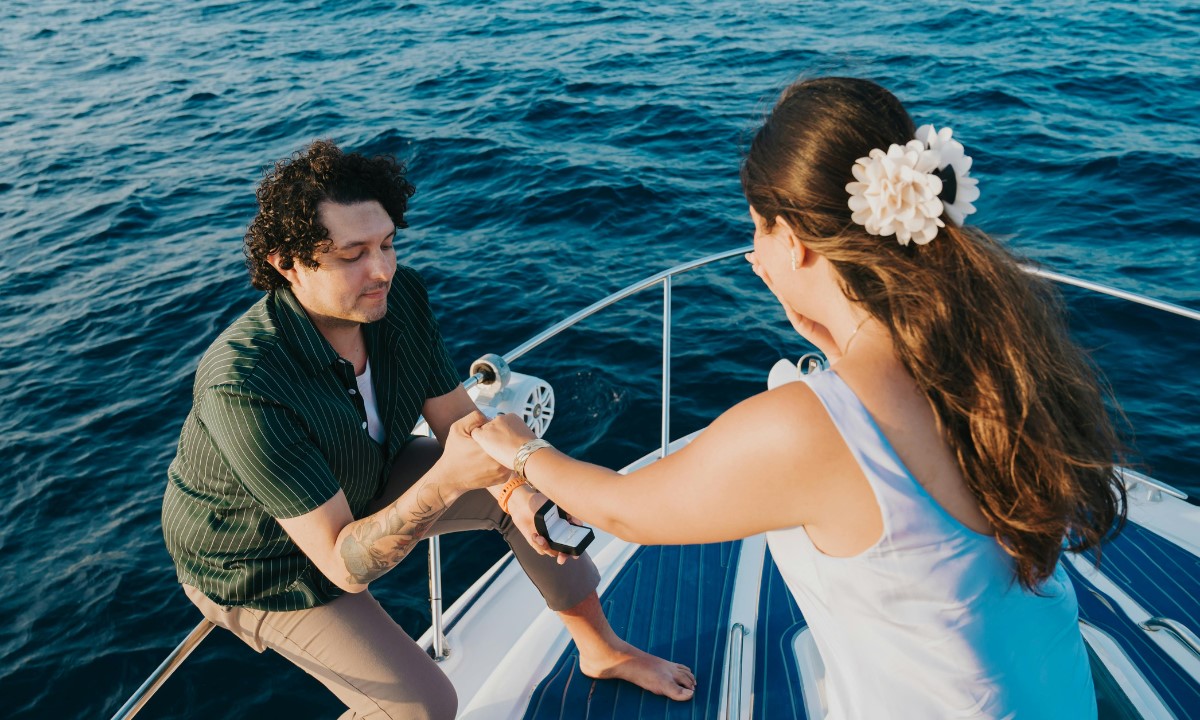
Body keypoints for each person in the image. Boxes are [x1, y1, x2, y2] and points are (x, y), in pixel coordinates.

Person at [470, 77, 1125, 719]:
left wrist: (521, 451)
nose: (754, 256)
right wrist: (833, 332)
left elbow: (627, 513)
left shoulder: (812, 427)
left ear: (794, 242)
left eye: (758, 229)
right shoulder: (986, 353)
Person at [161, 139, 695, 720]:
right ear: (287, 264)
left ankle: (603, 651)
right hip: (259, 561)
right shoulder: (244, 381)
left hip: (362, 472)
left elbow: (458, 422)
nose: (382, 269)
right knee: (424, 705)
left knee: (534, 503)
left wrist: (520, 490)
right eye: (352, 255)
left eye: (387, 244)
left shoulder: (399, 299)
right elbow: (341, 564)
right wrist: (452, 481)